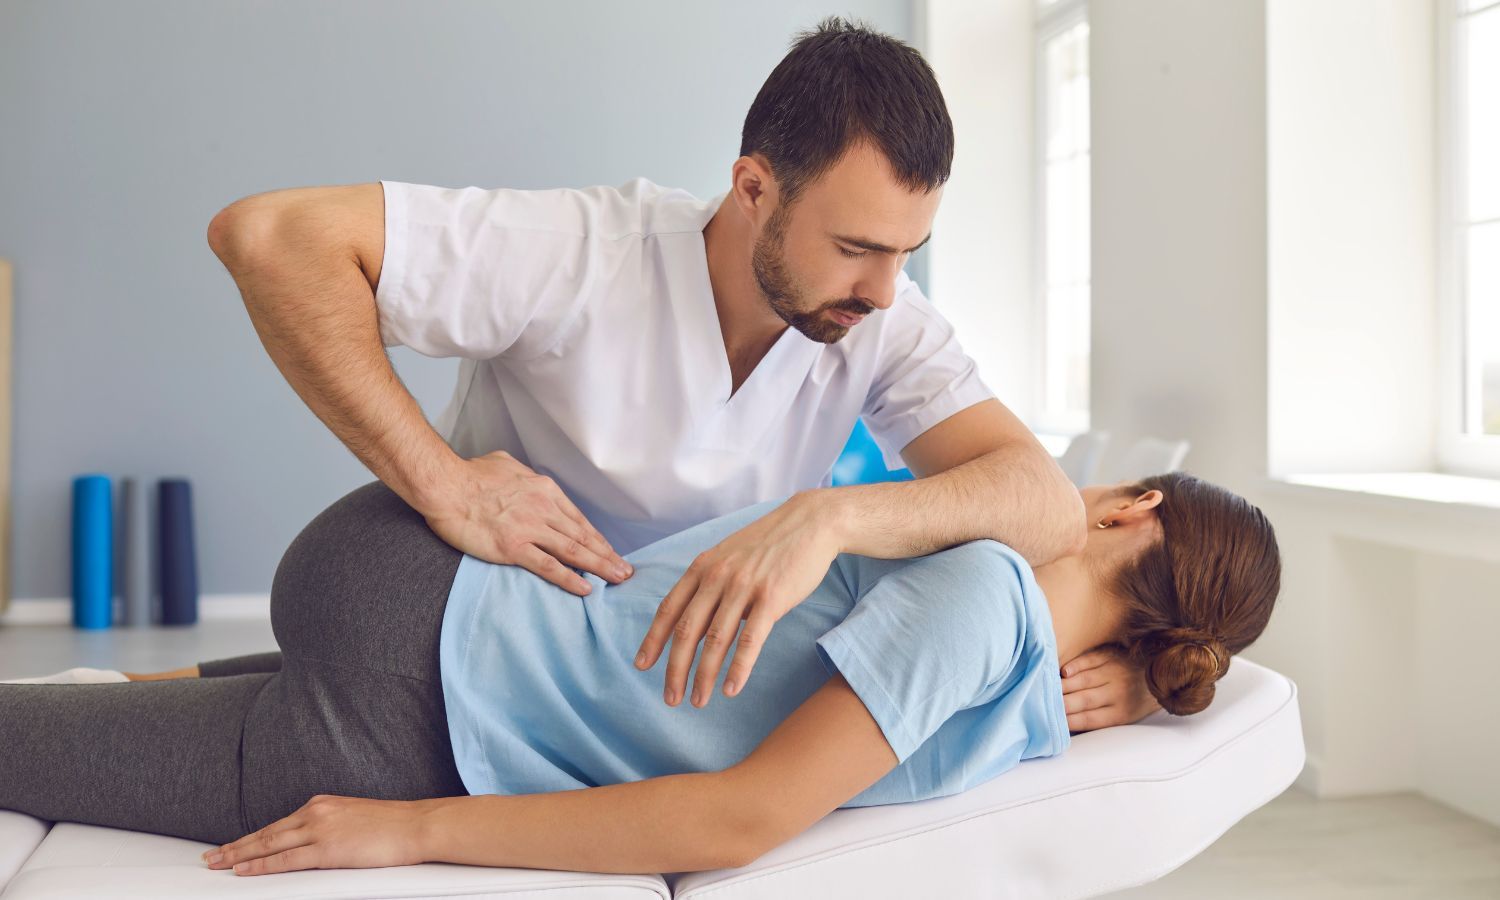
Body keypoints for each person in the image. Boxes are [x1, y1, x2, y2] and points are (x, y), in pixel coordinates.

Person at [204, 17, 1159, 731]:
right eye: (857, 246)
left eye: (909, 251)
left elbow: (1040, 500)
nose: (883, 288)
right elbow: (271, 239)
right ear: (754, 189)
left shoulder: (881, 315)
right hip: (474, 635)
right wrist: (442, 484)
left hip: (660, 683)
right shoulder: (582, 250)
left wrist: (827, 517)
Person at [0, 471, 1280, 877]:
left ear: (1128, 506)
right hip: (411, 674)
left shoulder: (984, 605)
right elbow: (743, 812)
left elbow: (740, 812)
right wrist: (407, 828)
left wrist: (410, 829)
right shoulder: (993, 619)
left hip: (414, 642)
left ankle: (147, 693)